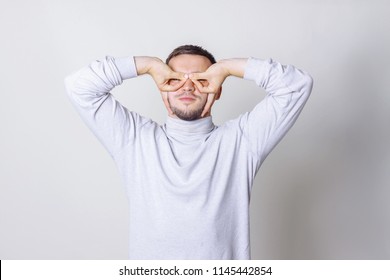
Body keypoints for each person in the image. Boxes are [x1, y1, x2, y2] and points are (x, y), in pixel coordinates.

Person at [65, 45, 313, 260]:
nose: (187, 86)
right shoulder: (135, 139)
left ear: (217, 90)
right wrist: (149, 65)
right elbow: (78, 86)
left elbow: (297, 85)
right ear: (162, 88)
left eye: (201, 80)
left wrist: (226, 68)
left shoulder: (241, 141)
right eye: (175, 79)